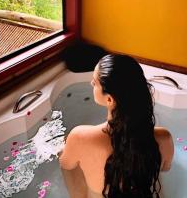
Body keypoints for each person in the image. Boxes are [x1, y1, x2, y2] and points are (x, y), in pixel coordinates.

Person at [59, 54, 174, 198]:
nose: (91, 84)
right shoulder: (164, 139)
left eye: (95, 82)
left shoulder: (79, 137)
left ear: (109, 99)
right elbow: (165, 168)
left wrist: (67, 146)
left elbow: (66, 165)